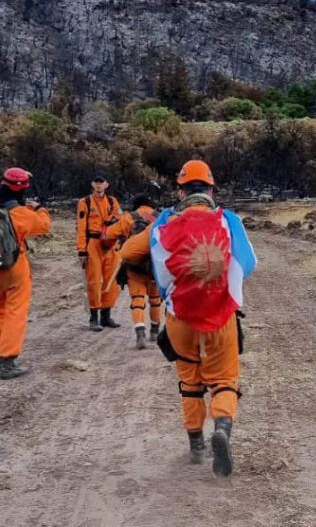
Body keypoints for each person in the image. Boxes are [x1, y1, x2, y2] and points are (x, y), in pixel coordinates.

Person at [118, 160, 256, 477]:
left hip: (180, 316)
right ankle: (222, 426)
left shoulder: (164, 221)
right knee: (224, 379)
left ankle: (196, 443)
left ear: (180, 191)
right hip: (220, 314)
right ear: (210, 188)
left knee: (190, 380)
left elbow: (126, 253)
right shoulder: (229, 220)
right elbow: (248, 263)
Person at [0, 168, 51, 380]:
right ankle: (8, 361)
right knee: (15, 312)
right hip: (16, 267)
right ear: (22, 189)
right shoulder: (22, 213)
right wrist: (40, 208)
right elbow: (44, 226)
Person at [103, 194, 161, 349]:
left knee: (137, 299)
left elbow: (107, 234)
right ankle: (155, 331)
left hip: (133, 265)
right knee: (155, 300)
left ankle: (140, 333)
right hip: (154, 266)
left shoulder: (128, 217)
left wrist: (107, 225)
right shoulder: (159, 217)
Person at [76, 170, 123, 332]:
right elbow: (81, 228)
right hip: (93, 243)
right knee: (94, 281)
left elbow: (120, 221)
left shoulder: (112, 201)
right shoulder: (85, 202)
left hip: (110, 244)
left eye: (101, 182)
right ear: (92, 184)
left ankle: (106, 316)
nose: (98, 184)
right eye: (96, 182)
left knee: (111, 281)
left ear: (106, 184)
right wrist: (81, 250)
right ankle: (93, 317)